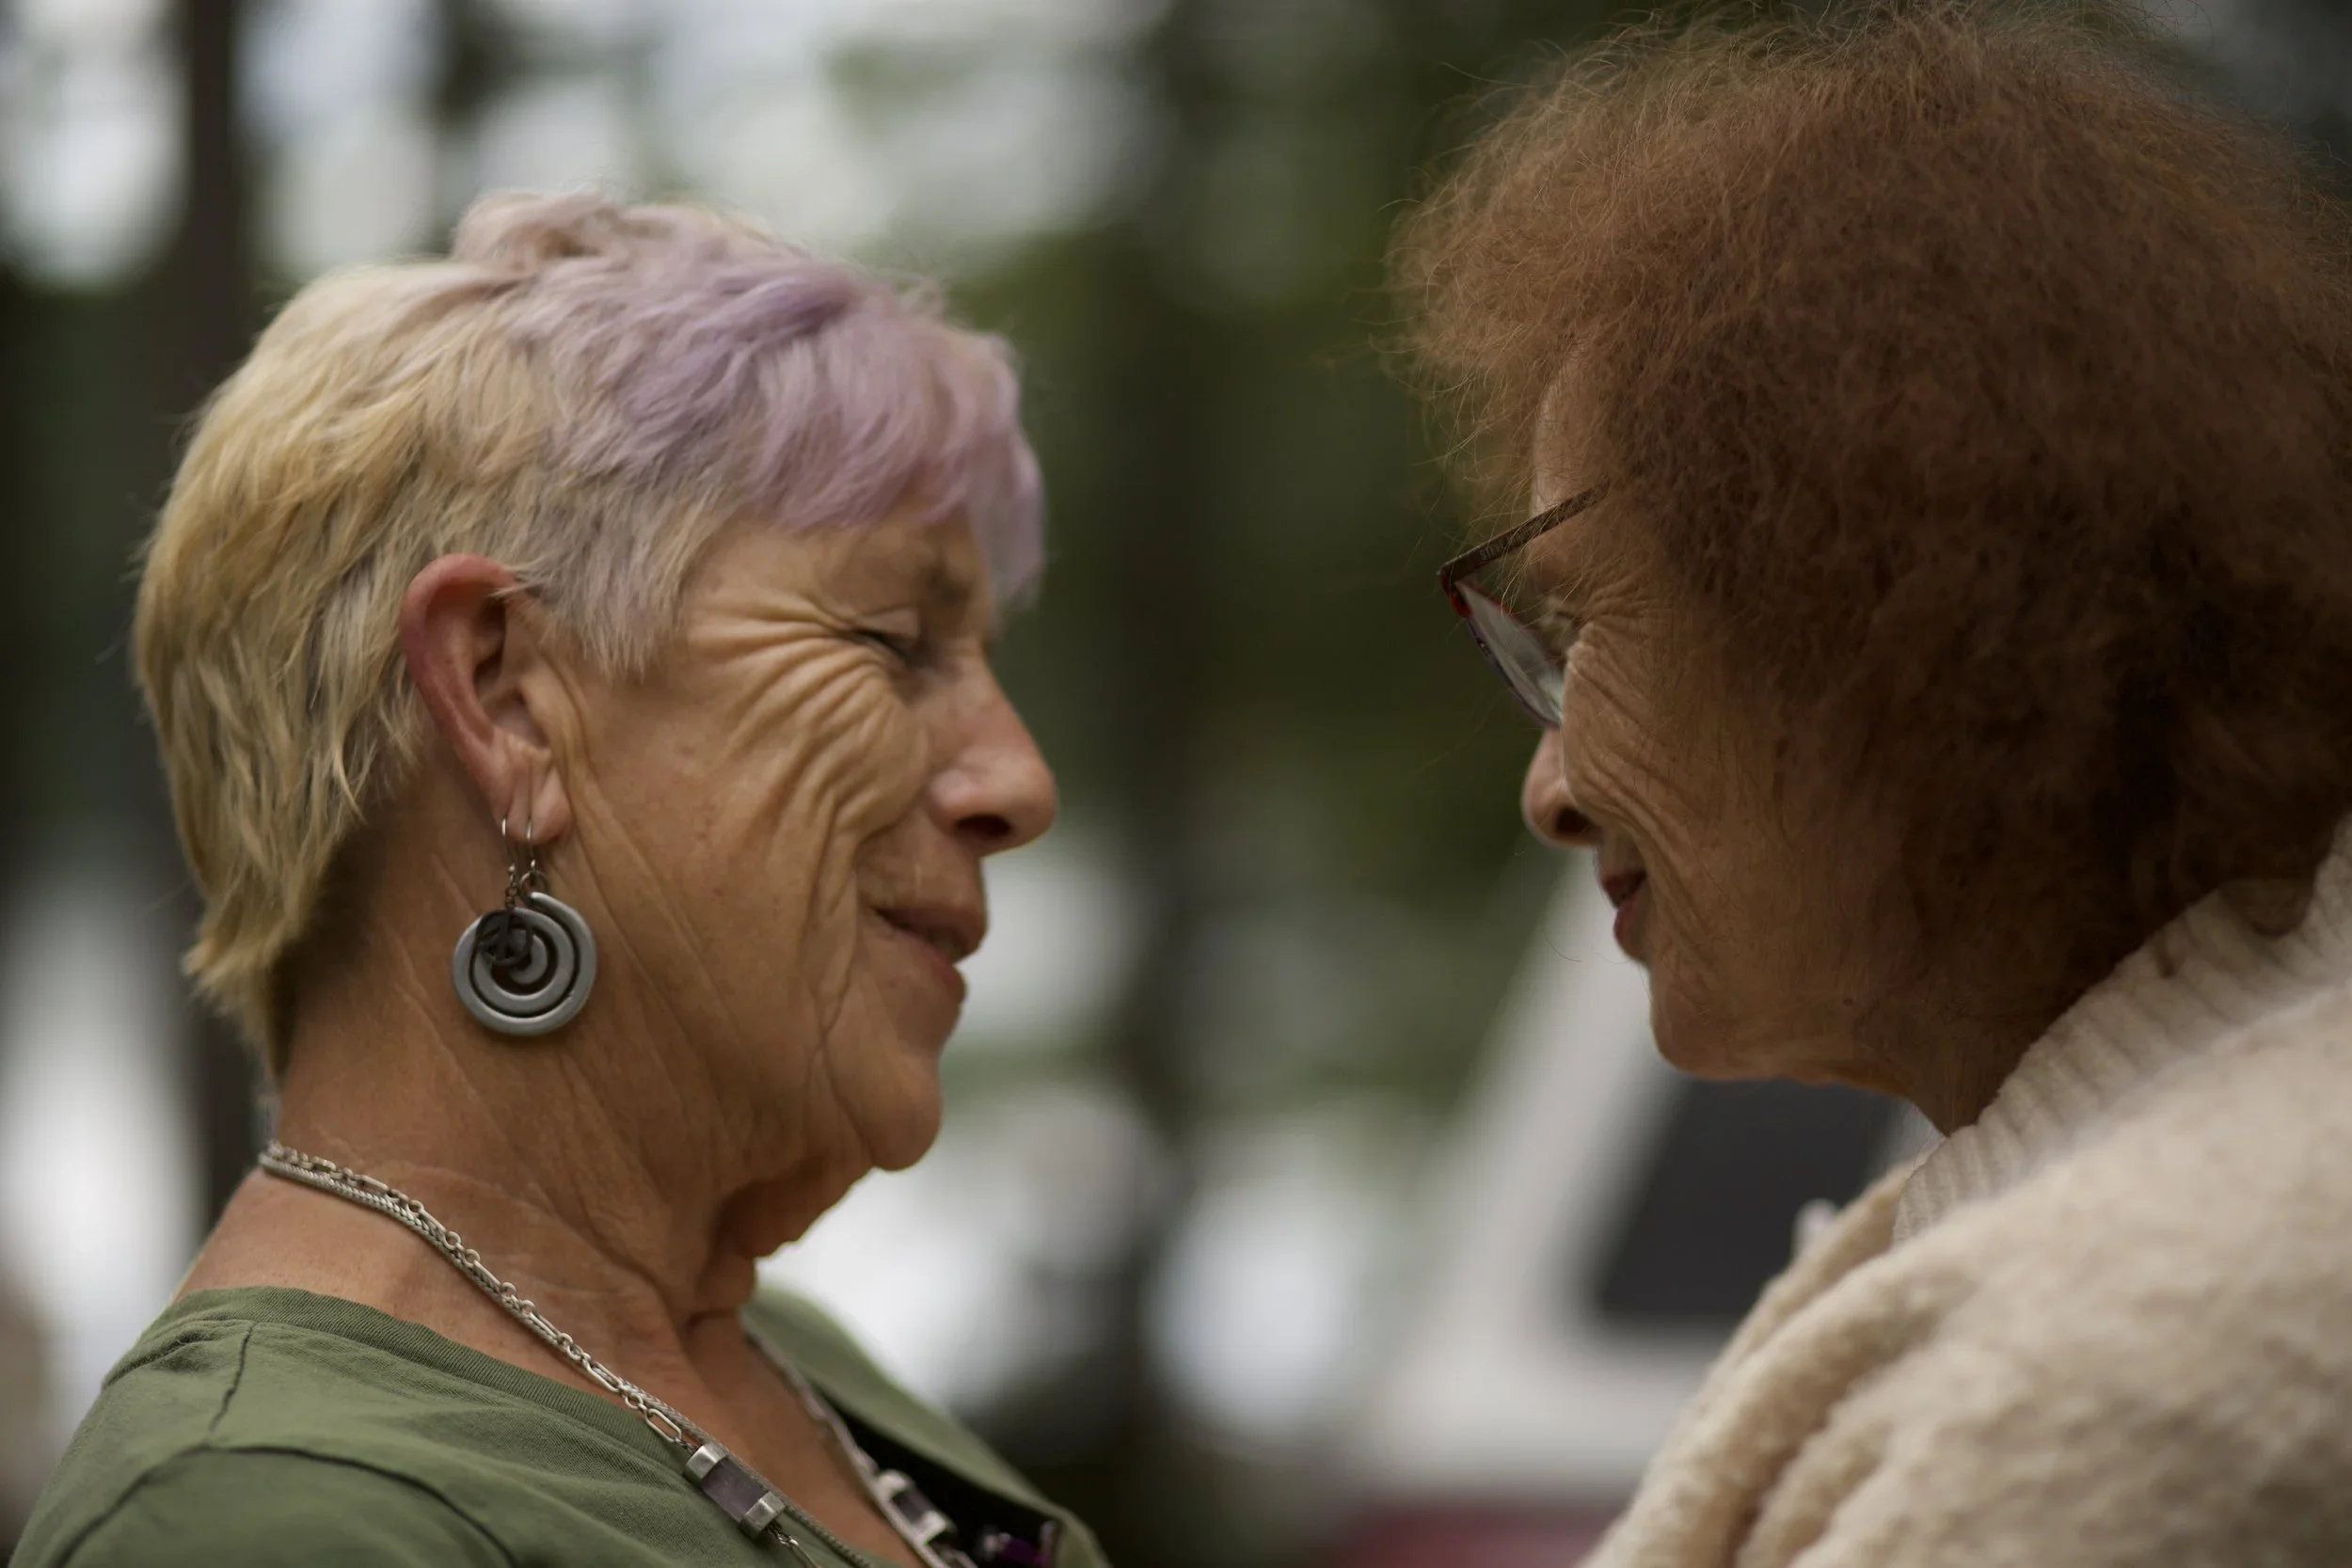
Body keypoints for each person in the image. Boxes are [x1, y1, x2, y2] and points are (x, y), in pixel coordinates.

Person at [17, 192, 1100, 1568]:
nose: (1017, 779)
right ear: (505, 697)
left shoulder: (788, 1364)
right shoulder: (260, 1515)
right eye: (893, 641)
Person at [1399, 4, 2352, 1563]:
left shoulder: (2129, 1388)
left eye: (1584, 625)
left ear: (1905, 612)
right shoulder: (2148, 1218)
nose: (1551, 789)